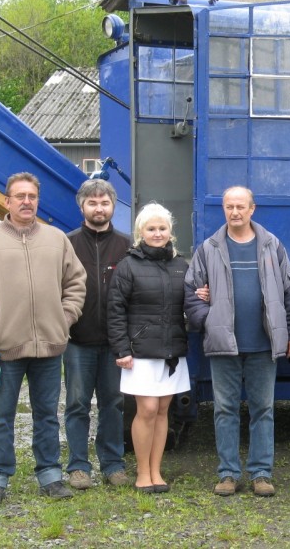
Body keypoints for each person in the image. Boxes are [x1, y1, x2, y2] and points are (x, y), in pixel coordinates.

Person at [0, 172, 86, 505]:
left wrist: (63, 318)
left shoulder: (57, 240)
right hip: (5, 348)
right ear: (7, 201)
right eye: (19, 196)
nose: (26, 202)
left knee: (47, 414)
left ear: (37, 201)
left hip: (49, 346)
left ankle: (50, 475)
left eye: (31, 196)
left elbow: (76, 284)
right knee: (1, 416)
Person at [184, 186, 290, 497]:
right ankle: (227, 474)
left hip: (264, 345)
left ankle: (261, 473)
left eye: (240, 206)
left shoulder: (271, 246)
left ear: (252, 209)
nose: (234, 212)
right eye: (229, 206)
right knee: (224, 409)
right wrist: (207, 320)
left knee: (263, 409)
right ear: (223, 210)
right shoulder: (209, 248)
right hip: (224, 344)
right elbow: (190, 294)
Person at [107, 202, 190, 493]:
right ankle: (142, 473)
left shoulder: (182, 265)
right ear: (141, 232)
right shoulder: (129, 265)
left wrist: (201, 293)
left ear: (170, 231)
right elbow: (115, 309)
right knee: (147, 409)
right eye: (151, 229)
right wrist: (122, 349)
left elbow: (190, 303)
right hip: (139, 351)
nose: (157, 233)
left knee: (163, 409)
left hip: (172, 352)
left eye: (162, 228)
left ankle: (157, 471)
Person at [64, 179, 131, 490]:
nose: (99, 208)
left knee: (114, 404)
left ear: (113, 206)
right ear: (82, 207)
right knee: (77, 403)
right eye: (92, 203)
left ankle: (113, 464)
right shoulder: (67, 244)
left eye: (104, 203)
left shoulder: (127, 246)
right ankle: (78, 466)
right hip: (77, 340)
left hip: (115, 343)